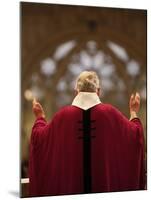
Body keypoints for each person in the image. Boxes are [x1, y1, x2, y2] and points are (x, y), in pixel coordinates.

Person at [29, 71, 145, 197]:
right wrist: (133, 112)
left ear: (76, 92)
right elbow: (135, 136)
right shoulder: (111, 113)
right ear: (98, 91)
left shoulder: (62, 116)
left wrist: (40, 117)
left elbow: (38, 139)